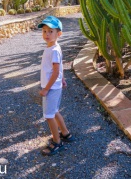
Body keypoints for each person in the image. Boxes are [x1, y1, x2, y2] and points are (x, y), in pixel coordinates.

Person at [37, 16, 75, 156]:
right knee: (55, 111)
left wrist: (46, 88)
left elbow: (56, 70)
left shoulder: (53, 50)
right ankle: (65, 133)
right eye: (44, 31)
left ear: (58, 34)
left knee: (48, 115)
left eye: (50, 31)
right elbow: (59, 68)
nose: (46, 34)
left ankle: (57, 142)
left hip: (51, 87)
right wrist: (63, 79)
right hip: (55, 86)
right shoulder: (53, 47)